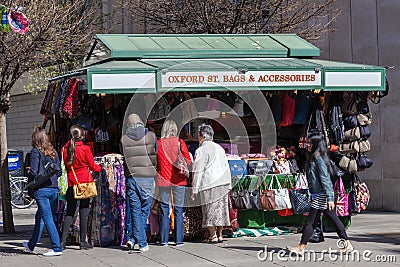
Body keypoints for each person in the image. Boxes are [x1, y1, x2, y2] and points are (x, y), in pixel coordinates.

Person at [288, 134, 353, 254]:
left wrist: (329, 198)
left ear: (317, 145)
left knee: (311, 222)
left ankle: (301, 247)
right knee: (333, 219)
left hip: (322, 195)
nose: (308, 145)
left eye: (311, 143)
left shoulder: (318, 159)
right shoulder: (313, 158)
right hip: (319, 194)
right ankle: (346, 243)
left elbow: (325, 179)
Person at [22, 127, 63, 256]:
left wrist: (30, 182)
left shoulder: (35, 151)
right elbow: (60, 171)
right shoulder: (53, 152)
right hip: (54, 189)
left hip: (41, 190)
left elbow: (33, 171)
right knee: (40, 217)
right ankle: (31, 245)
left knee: (47, 218)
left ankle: (56, 247)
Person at [61, 125, 102, 250]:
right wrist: (101, 168)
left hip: (71, 183)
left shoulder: (64, 149)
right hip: (84, 183)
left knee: (70, 212)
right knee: (84, 212)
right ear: (82, 135)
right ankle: (83, 242)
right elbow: (93, 166)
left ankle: (62, 241)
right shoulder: (85, 148)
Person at [121, 114, 157, 252]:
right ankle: (141, 242)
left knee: (135, 211)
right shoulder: (151, 136)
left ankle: (133, 239)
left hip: (132, 177)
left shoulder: (124, 139)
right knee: (144, 210)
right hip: (147, 177)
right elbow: (156, 154)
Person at [191, 123, 231, 243]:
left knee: (210, 211)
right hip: (223, 182)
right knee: (221, 210)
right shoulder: (219, 148)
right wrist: (229, 184)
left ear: (201, 136)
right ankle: (220, 235)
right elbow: (226, 166)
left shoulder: (201, 150)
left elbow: (198, 171)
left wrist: (194, 190)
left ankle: (213, 236)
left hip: (210, 183)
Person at [156, 120, 192, 246]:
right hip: (179, 180)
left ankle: (164, 240)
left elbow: (155, 161)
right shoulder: (179, 142)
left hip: (163, 180)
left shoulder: (158, 143)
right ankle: (179, 240)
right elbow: (187, 161)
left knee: (165, 210)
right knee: (178, 209)